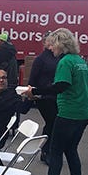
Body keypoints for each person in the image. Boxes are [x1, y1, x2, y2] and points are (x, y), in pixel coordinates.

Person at [26, 28, 88, 175]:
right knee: (71, 150)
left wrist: (36, 91)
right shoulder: (80, 61)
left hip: (69, 113)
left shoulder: (65, 62)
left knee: (55, 150)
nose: (50, 48)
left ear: (59, 45)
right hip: (84, 112)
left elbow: (61, 85)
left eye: (52, 44)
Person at [27, 32, 59, 162]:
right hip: (44, 97)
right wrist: (31, 94)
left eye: (53, 41)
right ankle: (46, 151)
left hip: (56, 95)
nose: (50, 44)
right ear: (45, 43)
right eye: (48, 41)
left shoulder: (59, 58)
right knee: (52, 122)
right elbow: (33, 78)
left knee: (54, 123)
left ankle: (50, 150)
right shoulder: (41, 59)